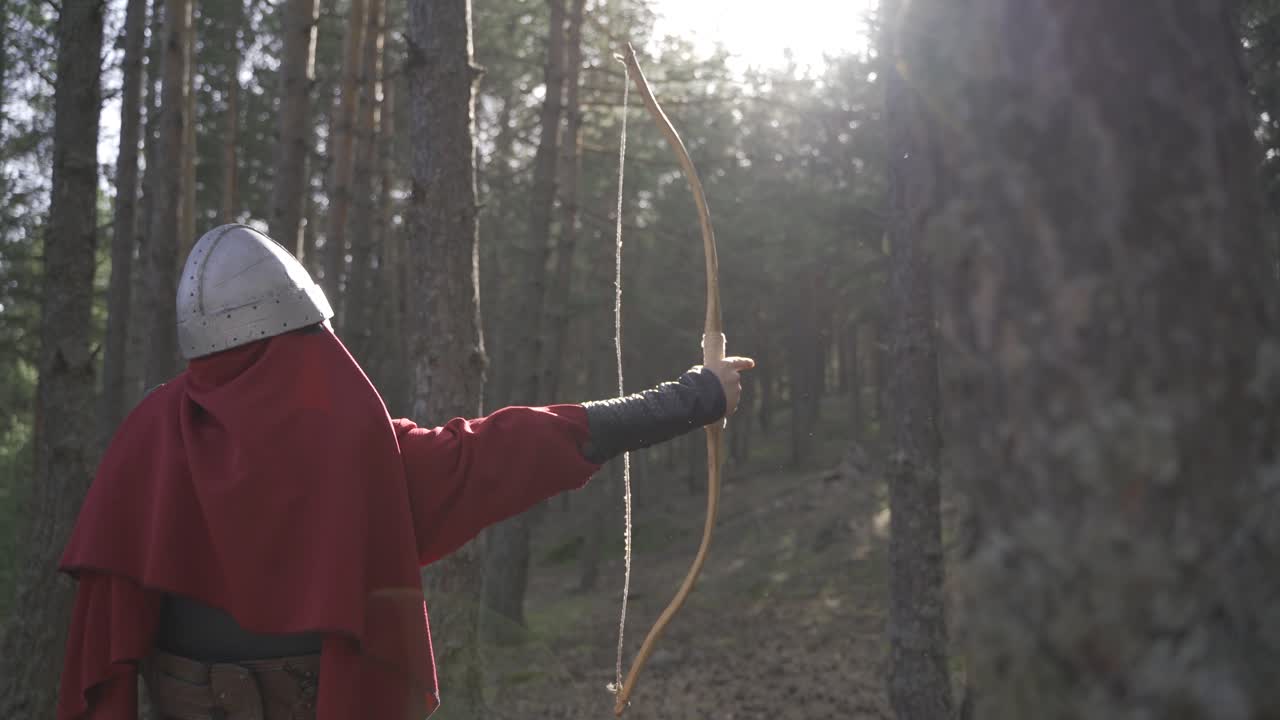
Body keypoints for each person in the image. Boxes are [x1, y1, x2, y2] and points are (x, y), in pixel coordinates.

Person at [55, 224, 753, 720]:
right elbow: (513, 446)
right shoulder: (357, 457)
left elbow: (107, 641)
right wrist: (699, 396)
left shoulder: (146, 438)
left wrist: (694, 397)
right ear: (301, 336)